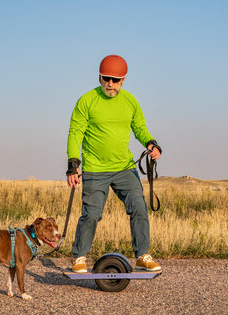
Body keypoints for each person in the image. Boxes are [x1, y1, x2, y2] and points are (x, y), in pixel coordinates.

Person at [66, 54, 162, 273]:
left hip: (124, 168)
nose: (110, 83)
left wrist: (150, 143)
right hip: (95, 168)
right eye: (106, 78)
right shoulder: (87, 101)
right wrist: (73, 164)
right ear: (99, 77)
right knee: (91, 214)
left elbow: (139, 127)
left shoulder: (130, 101)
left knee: (138, 206)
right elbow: (75, 133)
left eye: (115, 80)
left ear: (123, 80)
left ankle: (142, 255)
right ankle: (79, 257)